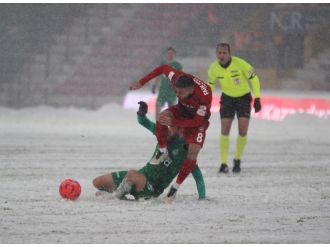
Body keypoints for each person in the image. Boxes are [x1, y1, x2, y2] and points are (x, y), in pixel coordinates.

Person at [129, 65, 212, 201]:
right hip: (182, 111)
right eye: (176, 92)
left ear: (191, 90)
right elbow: (162, 68)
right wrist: (141, 82)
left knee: (193, 151)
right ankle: (162, 151)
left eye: (181, 93)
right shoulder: (176, 77)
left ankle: (174, 188)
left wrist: (174, 123)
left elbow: (196, 122)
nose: (177, 95)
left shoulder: (204, 97)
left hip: (198, 121)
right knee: (162, 116)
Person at [93, 102, 206, 201]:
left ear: (180, 129)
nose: (168, 129)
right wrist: (141, 113)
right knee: (97, 182)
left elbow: (198, 177)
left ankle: (117, 197)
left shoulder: (186, 149)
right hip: (141, 176)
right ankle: (123, 189)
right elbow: (144, 121)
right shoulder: (163, 133)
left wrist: (202, 197)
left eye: (171, 127)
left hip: (152, 187)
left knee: (131, 174)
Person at [207, 42, 262, 174]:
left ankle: (237, 159)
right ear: (216, 54)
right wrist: (205, 101)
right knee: (224, 130)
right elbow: (211, 85)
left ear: (229, 53)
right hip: (227, 99)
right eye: (219, 53)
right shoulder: (213, 68)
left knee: (242, 131)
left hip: (243, 98)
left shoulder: (241, 64)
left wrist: (257, 98)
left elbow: (254, 79)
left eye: (224, 53)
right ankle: (224, 163)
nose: (222, 55)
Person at [152, 47, 183, 120]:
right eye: (169, 53)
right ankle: (158, 126)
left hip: (172, 91)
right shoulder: (163, 64)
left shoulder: (177, 65)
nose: (170, 55)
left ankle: (172, 127)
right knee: (158, 106)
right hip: (163, 90)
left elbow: (180, 77)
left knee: (171, 110)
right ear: (166, 54)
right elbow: (158, 75)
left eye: (172, 53)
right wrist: (154, 85)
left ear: (174, 55)